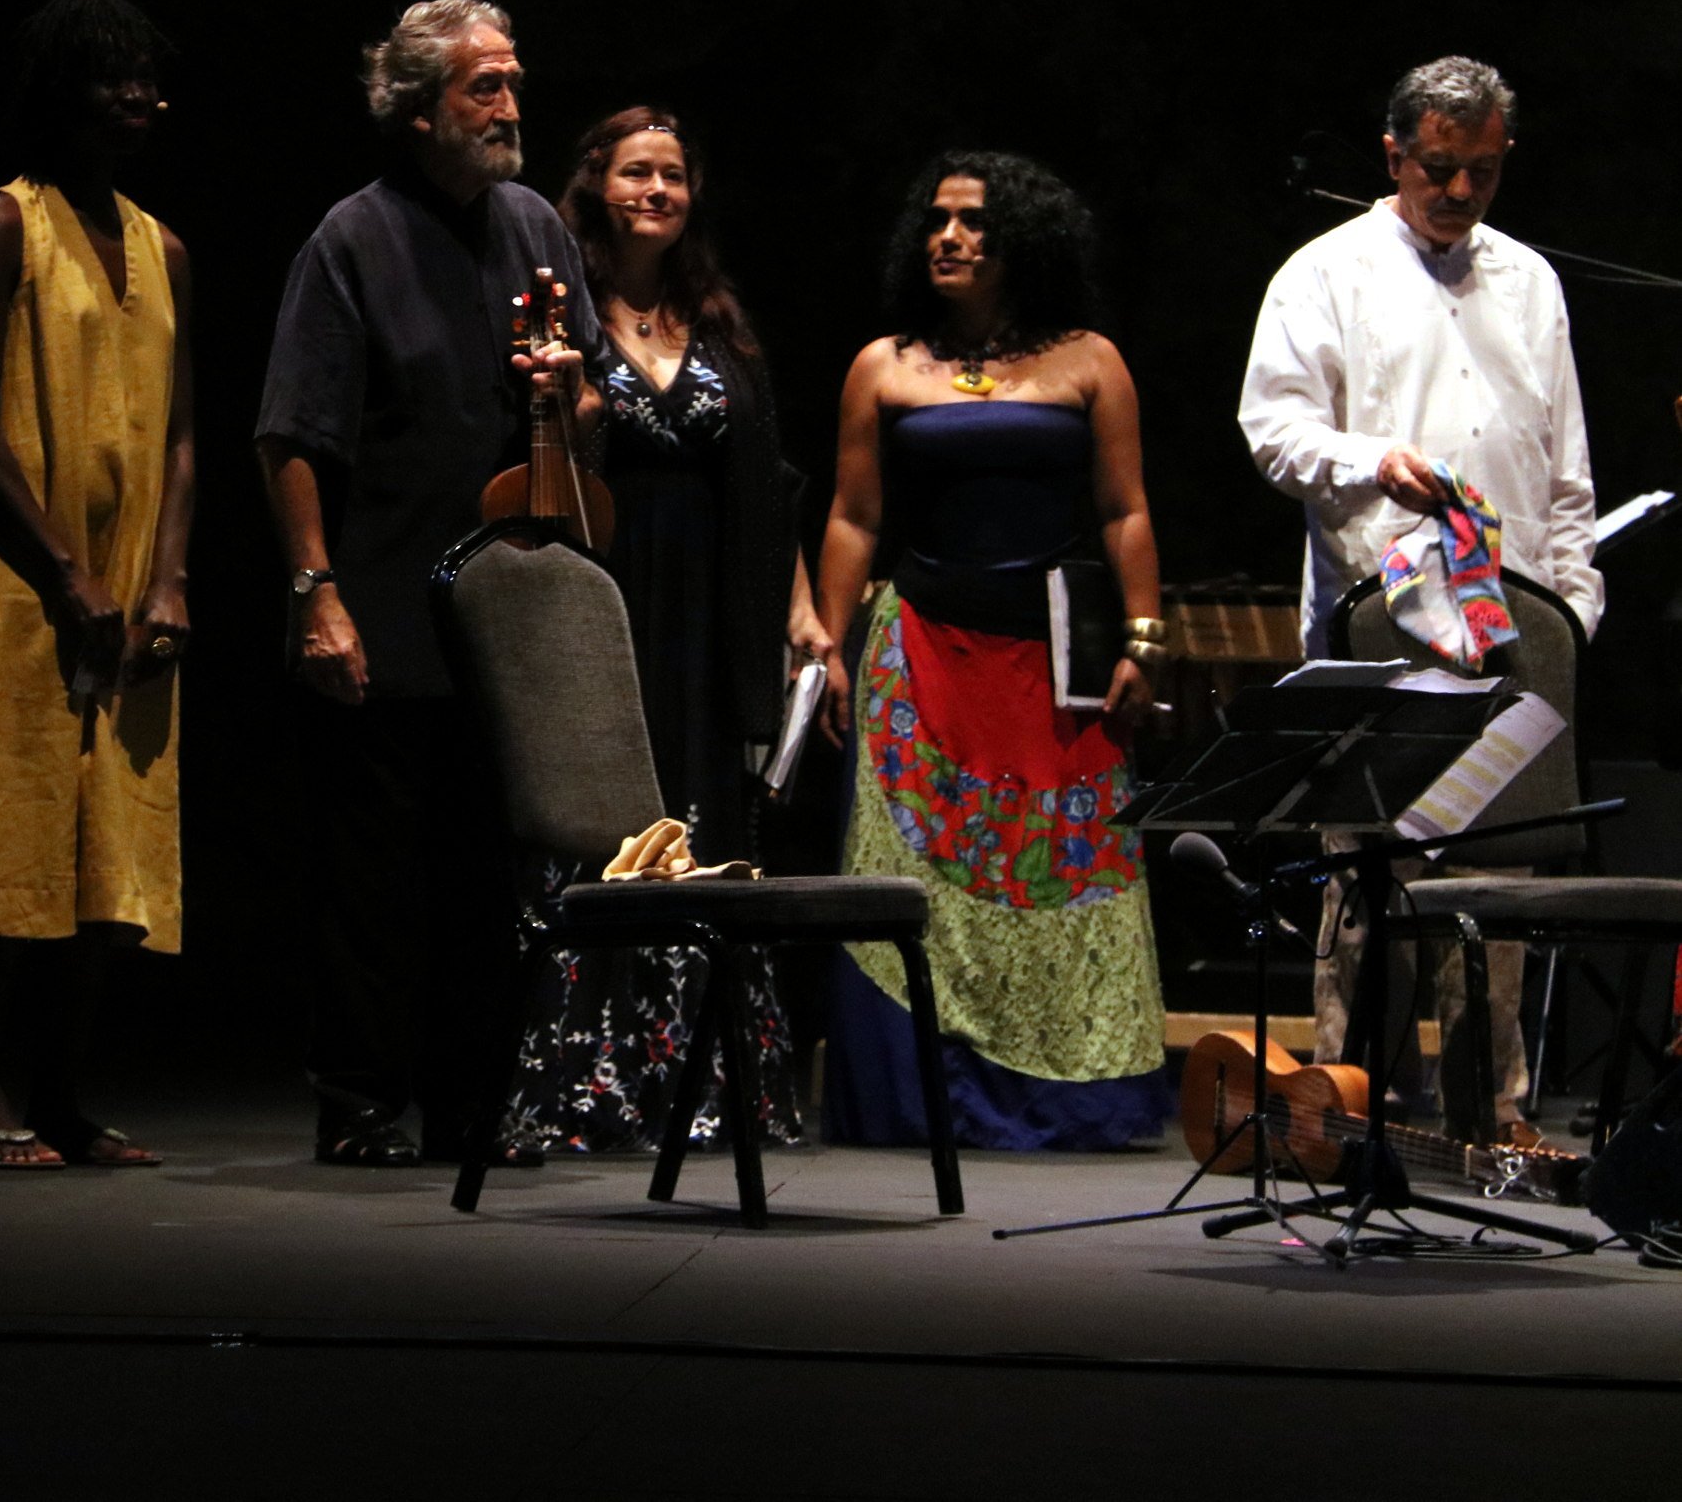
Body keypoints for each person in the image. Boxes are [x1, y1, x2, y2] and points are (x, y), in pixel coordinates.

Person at [256, 0, 599, 1167]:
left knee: (488, 869)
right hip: (391, 593)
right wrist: (316, 591)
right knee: (374, 879)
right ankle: (358, 1099)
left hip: (511, 601)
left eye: (511, 82)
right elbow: (292, 434)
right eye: (481, 89)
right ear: (415, 111)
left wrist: (566, 388)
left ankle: (474, 1100)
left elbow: (594, 403)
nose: (507, 109)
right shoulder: (351, 238)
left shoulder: (535, 228)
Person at [1239, 56, 1600, 1141]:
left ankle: (1492, 1116)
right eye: (1438, 168)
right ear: (1393, 154)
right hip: (1381, 617)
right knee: (1365, 881)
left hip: (1506, 632)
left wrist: (1571, 610)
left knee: (1493, 890)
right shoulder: (1325, 272)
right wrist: (1372, 459)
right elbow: (1272, 429)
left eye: (1480, 173)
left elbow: (1566, 471)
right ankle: (1340, 1107)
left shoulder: (1530, 280)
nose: (1457, 192)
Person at [816, 151, 1171, 1152]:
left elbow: (1124, 509)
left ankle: (1072, 1101)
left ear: (1024, 241)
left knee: (1059, 865)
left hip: (1056, 660)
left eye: (973, 222)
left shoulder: (1089, 359)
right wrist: (824, 646)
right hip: (919, 650)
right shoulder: (884, 364)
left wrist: (1142, 639)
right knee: (923, 883)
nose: (949, 237)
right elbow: (851, 516)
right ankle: (915, 1096)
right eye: (935, 220)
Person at [509, 106, 831, 1153]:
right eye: (637, 172)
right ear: (595, 186)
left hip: (710, 624)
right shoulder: (567, 321)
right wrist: (570, 408)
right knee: (604, 831)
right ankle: (585, 1085)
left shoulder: (721, 325)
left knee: (707, 836)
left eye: (675, 175)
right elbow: (541, 481)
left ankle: (708, 1087)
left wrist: (801, 611)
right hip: (604, 606)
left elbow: (767, 491)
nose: (657, 190)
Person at [0, 0, 194, 1171]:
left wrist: (170, 578)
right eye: (114, 78)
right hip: (21, 575)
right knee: (13, 825)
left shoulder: (162, 246)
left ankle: (64, 1088)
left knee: (112, 843)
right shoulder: (5, 223)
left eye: (148, 79)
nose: (140, 100)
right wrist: (61, 563)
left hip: (132, 579)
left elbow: (186, 433)